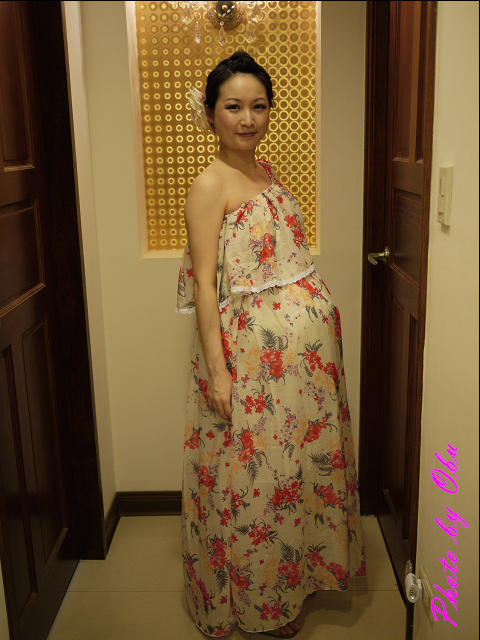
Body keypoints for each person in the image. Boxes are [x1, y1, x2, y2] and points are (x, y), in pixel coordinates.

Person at [176, 51, 365, 639]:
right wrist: (219, 372)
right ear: (211, 114)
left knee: (289, 479)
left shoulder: (267, 173)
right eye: (234, 106)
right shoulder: (210, 184)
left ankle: (291, 585)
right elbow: (204, 285)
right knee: (253, 484)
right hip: (249, 367)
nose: (248, 118)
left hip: (297, 373)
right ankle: (255, 604)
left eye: (258, 106)